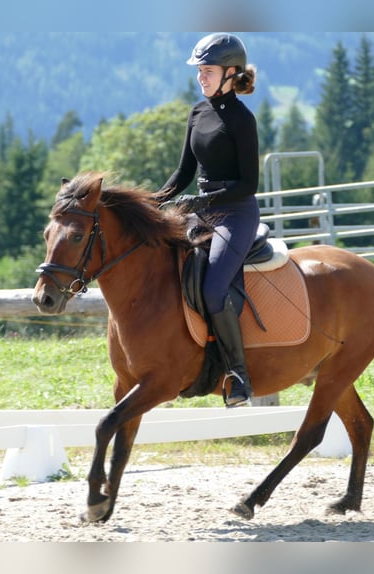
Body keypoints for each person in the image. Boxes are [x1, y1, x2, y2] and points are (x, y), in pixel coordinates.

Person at [157, 33, 260, 408]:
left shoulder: (242, 119)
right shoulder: (197, 112)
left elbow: (249, 183)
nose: (201, 77)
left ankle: (238, 375)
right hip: (200, 211)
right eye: (199, 70)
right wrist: (152, 202)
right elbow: (183, 172)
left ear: (231, 73)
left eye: (208, 70)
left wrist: (203, 200)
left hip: (236, 213)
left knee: (214, 289)